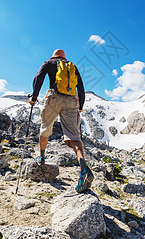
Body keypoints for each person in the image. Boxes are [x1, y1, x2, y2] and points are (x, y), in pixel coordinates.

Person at [29, 49, 94, 193]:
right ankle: (83, 169)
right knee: (74, 136)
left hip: (54, 98)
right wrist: (80, 106)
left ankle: (42, 156)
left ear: (53, 56)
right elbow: (81, 87)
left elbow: (38, 78)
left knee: (45, 128)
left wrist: (34, 97)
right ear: (64, 58)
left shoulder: (48, 63)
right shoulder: (72, 67)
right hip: (72, 101)